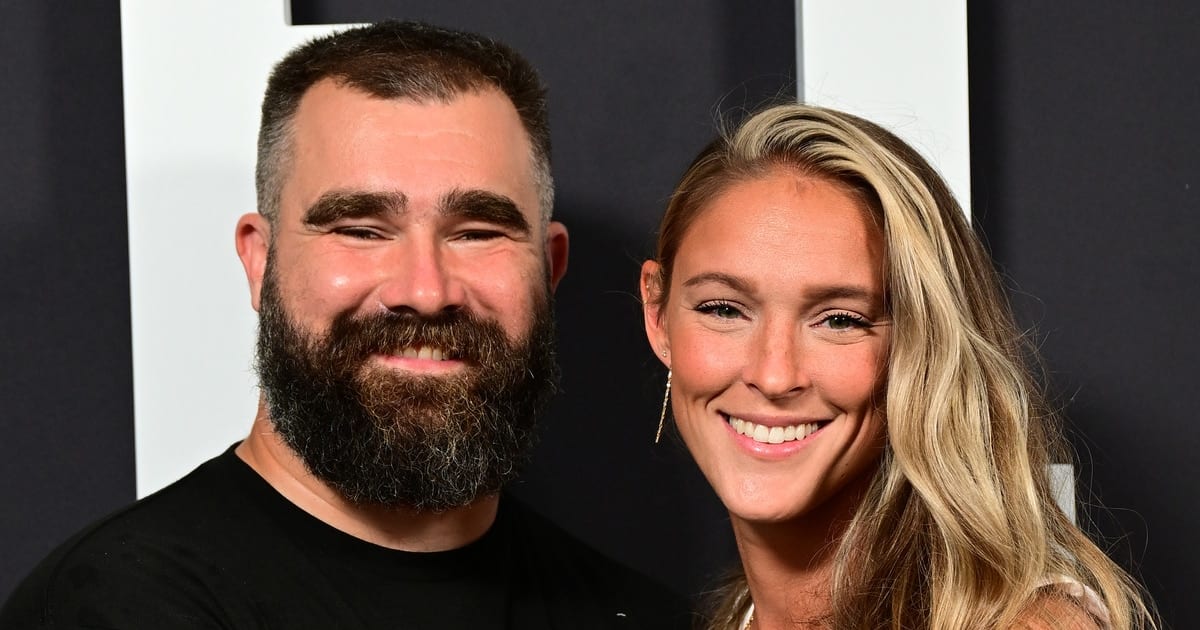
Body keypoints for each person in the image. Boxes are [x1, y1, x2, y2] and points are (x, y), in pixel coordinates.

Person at [1, 21, 689, 630]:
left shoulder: (641, 617)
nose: (426, 291)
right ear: (260, 263)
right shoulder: (116, 607)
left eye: (477, 233)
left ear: (549, 268)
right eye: (361, 229)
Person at [639, 103, 1157, 629]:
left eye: (840, 320)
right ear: (657, 314)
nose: (774, 376)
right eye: (724, 310)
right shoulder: (740, 619)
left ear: (924, 345)